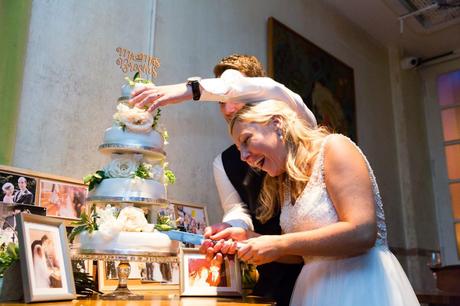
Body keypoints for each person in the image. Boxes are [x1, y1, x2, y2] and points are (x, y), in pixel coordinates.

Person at [129, 54, 316, 305]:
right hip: (273, 271)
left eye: (233, 96)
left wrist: (189, 90)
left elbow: (267, 88)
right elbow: (237, 209)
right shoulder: (224, 162)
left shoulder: (299, 126)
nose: (227, 108)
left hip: (322, 267)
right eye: (220, 101)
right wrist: (231, 228)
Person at [225, 99, 419, 306]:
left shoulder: (335, 147)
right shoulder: (286, 180)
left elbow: (363, 232)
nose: (244, 156)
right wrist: (250, 239)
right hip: (314, 292)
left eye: (246, 140)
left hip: (360, 285)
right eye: (239, 149)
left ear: (277, 123)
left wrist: (279, 243)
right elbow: (301, 254)